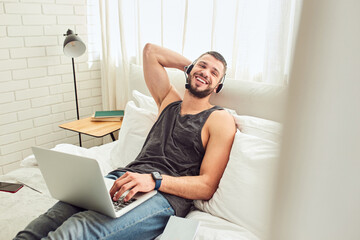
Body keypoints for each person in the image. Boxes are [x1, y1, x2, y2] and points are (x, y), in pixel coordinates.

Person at [14, 43, 236, 240]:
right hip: (123, 178)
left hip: (163, 197)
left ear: (218, 87)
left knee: (75, 231)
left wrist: (154, 180)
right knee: (43, 224)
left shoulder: (219, 119)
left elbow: (207, 186)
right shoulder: (169, 101)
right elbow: (151, 52)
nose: (205, 72)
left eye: (214, 73)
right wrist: (193, 68)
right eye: (202, 65)